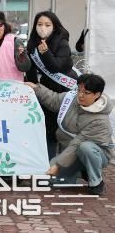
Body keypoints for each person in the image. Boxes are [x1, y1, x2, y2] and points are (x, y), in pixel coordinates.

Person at [26, 74, 113, 195]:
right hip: (70, 153)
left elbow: (77, 143)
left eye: (86, 93)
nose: (80, 95)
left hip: (95, 154)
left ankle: (96, 182)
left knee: (85, 147)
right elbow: (54, 100)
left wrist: (57, 164)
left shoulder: (100, 121)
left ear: (97, 95)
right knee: (46, 180)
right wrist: (36, 88)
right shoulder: (71, 99)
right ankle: (79, 172)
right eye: (79, 90)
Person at [26, 11, 78, 159]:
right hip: (46, 89)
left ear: (54, 26)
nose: (43, 28)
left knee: (65, 127)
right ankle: (48, 163)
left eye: (47, 25)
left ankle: (67, 165)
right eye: (39, 24)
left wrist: (46, 53)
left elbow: (57, 67)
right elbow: (30, 69)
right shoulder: (33, 43)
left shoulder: (62, 42)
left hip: (65, 89)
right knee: (48, 129)